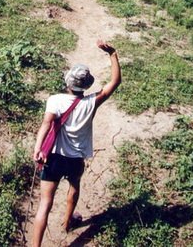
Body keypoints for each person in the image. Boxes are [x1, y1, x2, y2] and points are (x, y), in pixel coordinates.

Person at [32, 40, 122, 247]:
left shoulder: (55, 100)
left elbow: (46, 125)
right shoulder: (92, 102)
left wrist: (38, 148)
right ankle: (67, 222)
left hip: (53, 157)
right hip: (76, 159)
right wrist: (113, 54)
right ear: (86, 85)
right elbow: (115, 82)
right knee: (74, 186)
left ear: (68, 83)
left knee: (44, 204)